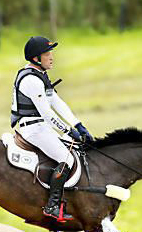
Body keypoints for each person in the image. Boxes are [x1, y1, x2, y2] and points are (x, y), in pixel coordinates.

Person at [11, 36, 93, 222]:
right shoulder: (31, 80)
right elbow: (47, 114)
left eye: (51, 53)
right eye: (47, 54)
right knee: (67, 159)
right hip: (33, 129)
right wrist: (68, 131)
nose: (52, 57)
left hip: (41, 126)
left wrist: (78, 125)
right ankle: (52, 206)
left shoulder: (40, 74)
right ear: (35, 59)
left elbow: (57, 102)